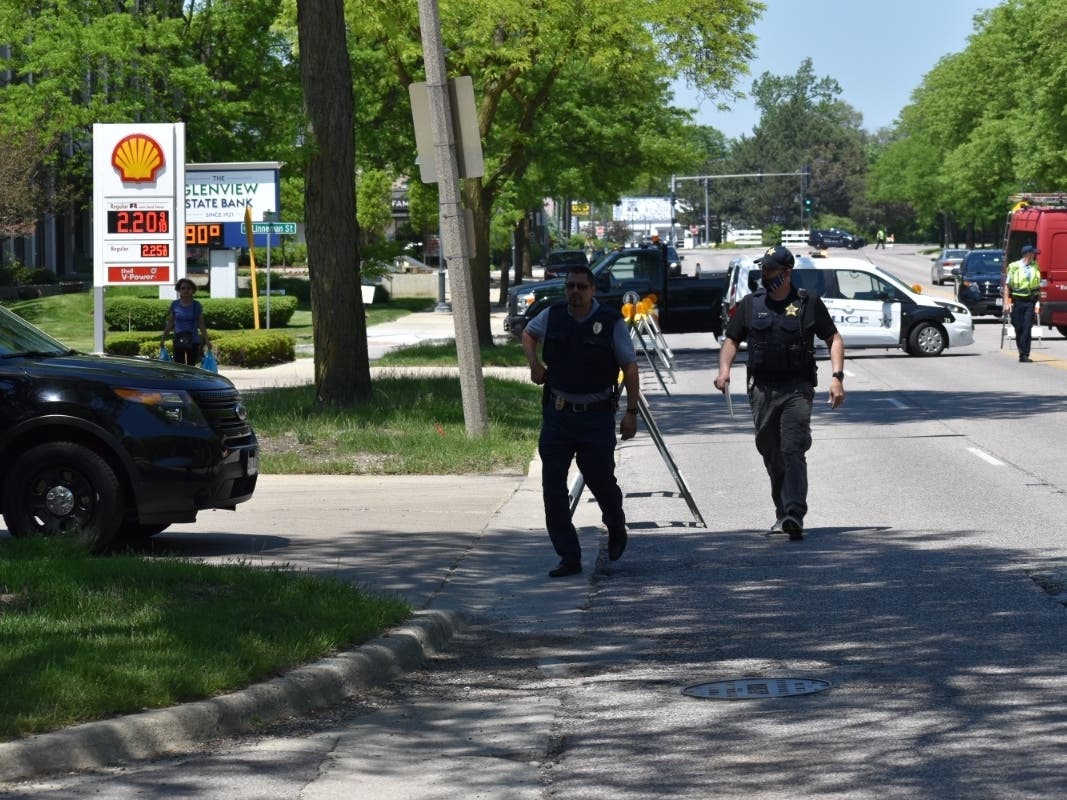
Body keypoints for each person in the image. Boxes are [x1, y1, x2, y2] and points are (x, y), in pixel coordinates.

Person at [713, 245, 845, 541]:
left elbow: (833, 337)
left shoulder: (807, 303)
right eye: (763, 268)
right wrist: (724, 370)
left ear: (786, 273)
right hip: (762, 390)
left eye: (769, 269)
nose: (764, 273)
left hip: (797, 388)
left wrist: (836, 377)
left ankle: (794, 512)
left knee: (792, 449)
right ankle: (782, 511)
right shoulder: (751, 304)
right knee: (771, 453)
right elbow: (731, 340)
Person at [521, 264, 640, 577]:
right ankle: (569, 556)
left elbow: (629, 368)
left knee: (602, 482)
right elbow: (529, 334)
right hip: (558, 416)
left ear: (593, 290)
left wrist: (631, 413)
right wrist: (534, 363)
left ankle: (615, 523)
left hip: (596, 418)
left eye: (581, 287)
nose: (575, 292)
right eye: (570, 286)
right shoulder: (553, 315)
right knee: (553, 489)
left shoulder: (610, 321)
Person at [1003, 244, 1041, 363]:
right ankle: (1021, 351)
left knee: (1027, 327)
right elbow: (1007, 286)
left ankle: (1024, 354)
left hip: (1030, 301)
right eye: (1033, 253)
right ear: (1027, 254)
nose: (1035, 255)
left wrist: (1039, 300)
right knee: (1018, 327)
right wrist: (1005, 302)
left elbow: (1038, 285)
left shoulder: (1035, 266)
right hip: (1018, 301)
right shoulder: (1014, 267)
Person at [162, 278, 209, 366]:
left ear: (193, 290)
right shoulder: (175, 304)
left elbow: (201, 324)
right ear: (179, 290)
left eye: (188, 288)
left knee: (191, 368)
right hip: (178, 340)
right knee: (179, 367)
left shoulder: (197, 305)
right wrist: (163, 338)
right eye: (183, 288)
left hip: (193, 341)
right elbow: (170, 323)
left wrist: (207, 341)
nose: (186, 290)